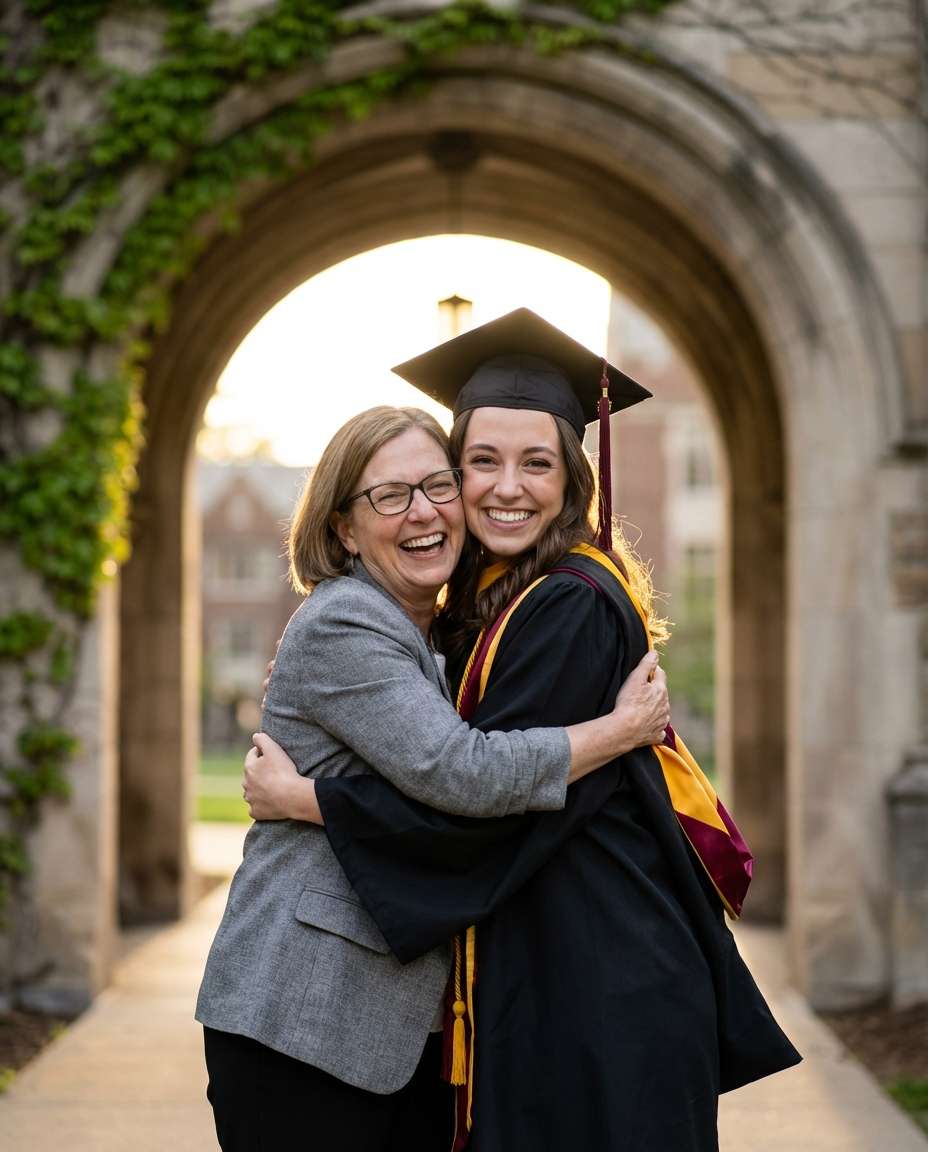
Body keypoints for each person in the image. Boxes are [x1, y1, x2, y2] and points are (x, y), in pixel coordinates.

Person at [247, 310, 801, 1152]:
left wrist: (307, 798)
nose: (508, 487)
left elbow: (480, 801)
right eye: (481, 462)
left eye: (537, 462)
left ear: (574, 477)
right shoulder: (494, 600)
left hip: (600, 991)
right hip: (561, 974)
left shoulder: (567, 605)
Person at [195, 402, 671, 1152]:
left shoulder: (437, 630)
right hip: (303, 1021)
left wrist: (306, 796)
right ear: (343, 529)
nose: (424, 511)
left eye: (438, 485)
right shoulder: (348, 623)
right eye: (389, 495)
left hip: (385, 1033)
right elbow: (463, 774)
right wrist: (619, 731)